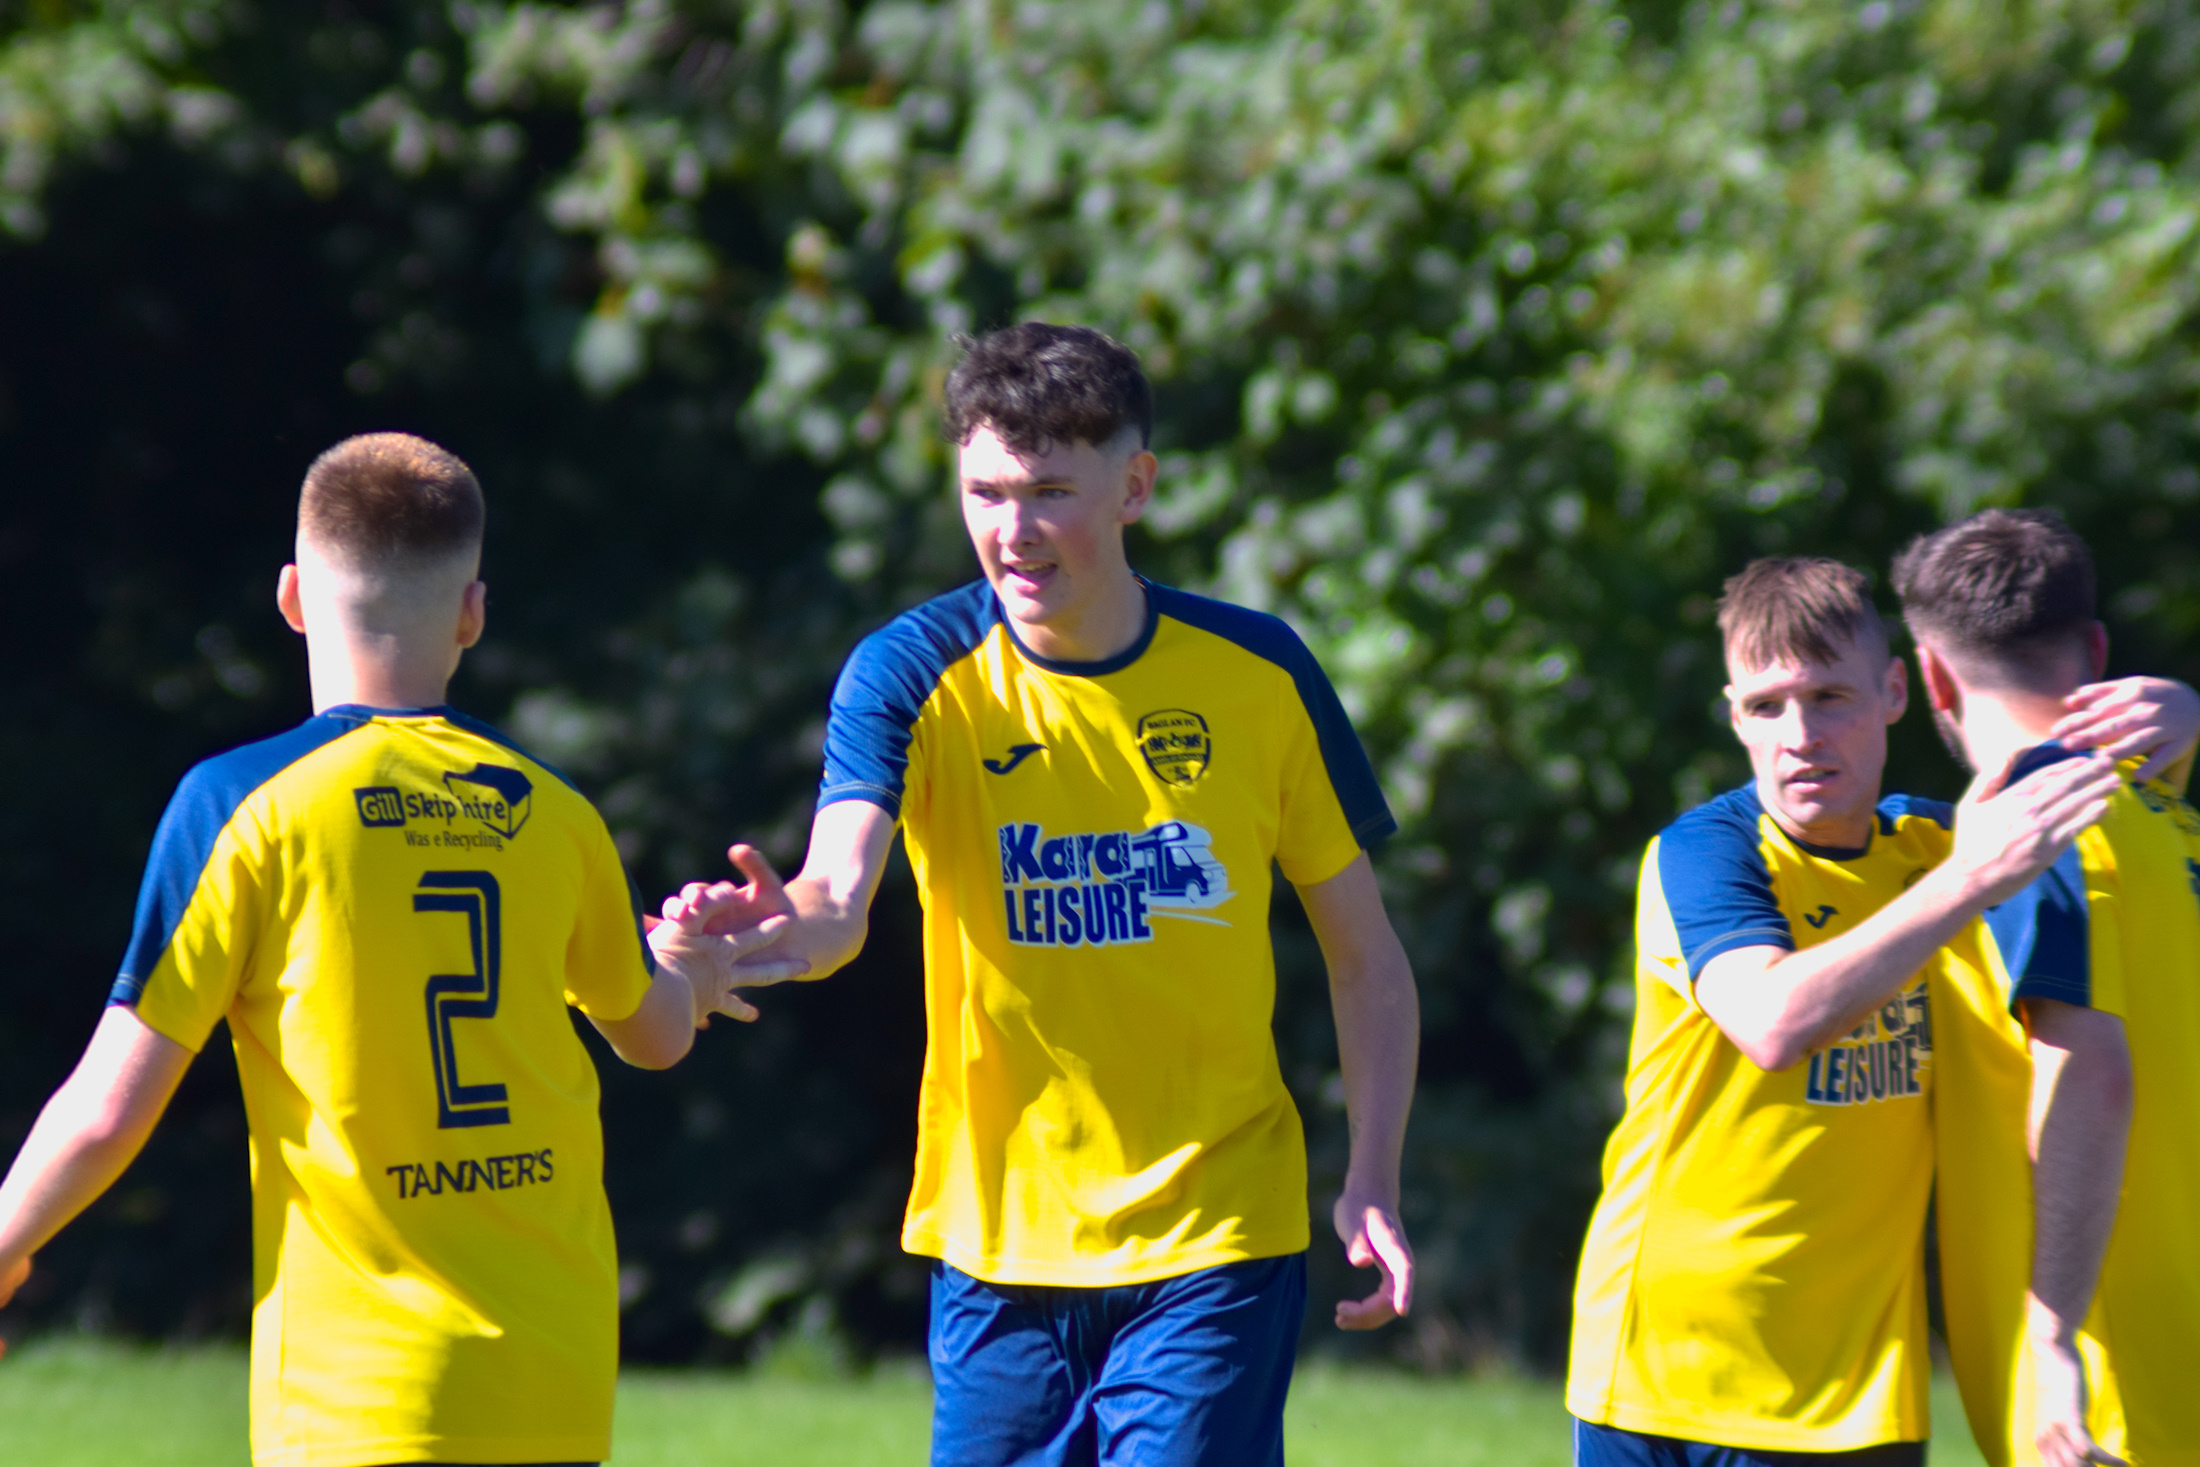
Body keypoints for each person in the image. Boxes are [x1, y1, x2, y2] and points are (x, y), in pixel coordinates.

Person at [670, 323, 1419, 1467]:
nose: (1012, 532)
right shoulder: (909, 672)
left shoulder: (1259, 672)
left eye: (1049, 493)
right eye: (985, 493)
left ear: (1136, 487)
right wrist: (770, 934)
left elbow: (1364, 955)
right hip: (996, 1245)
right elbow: (835, 897)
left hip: (1216, 1230)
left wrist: (1371, 1174)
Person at [0, 433, 799, 1467]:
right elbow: (653, 1035)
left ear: (292, 597)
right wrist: (691, 965)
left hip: (358, 1396)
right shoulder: (554, 811)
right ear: (472, 612)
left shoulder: (241, 807)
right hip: (548, 1381)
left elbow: (110, 1109)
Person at [1565, 556, 2195, 1467]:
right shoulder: (1707, 851)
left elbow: (2098, 804)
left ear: (1898, 690)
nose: (1800, 735)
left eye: (1830, 696)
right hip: (1671, 1366)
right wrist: (1968, 880)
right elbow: (1773, 1023)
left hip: (1861, 1390)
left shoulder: (1937, 841)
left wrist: (2182, 717)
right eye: (1766, 706)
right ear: (1733, 716)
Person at [1898, 509, 2200, 1467]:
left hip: (2103, 1390)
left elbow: (2091, 1071)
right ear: (2097, 649)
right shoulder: (2168, 821)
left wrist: (2052, 1335)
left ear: (1932, 675)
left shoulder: (2028, 824)